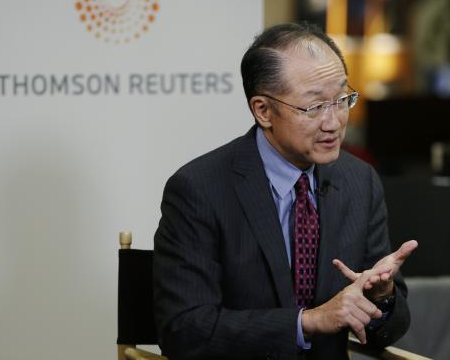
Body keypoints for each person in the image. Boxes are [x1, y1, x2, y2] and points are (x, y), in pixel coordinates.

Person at [153, 23, 418, 360]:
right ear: (263, 110)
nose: (334, 122)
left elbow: (391, 330)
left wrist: (382, 296)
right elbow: (184, 330)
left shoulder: (359, 181)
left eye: (341, 99)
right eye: (314, 107)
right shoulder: (199, 189)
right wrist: (307, 322)